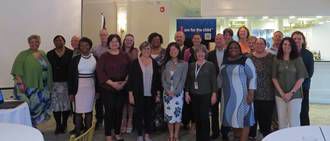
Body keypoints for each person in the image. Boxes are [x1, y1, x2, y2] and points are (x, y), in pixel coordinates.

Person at [11, 34, 52, 126]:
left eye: (37, 42)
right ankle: (30, 126)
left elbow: (47, 68)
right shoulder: (23, 54)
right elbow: (17, 69)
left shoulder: (42, 53)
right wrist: (20, 83)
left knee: (39, 108)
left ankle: (34, 126)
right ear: (29, 43)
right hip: (29, 87)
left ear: (39, 43)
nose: (34, 44)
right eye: (32, 42)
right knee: (31, 108)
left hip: (42, 87)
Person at [220, 41, 257, 141]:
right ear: (228, 50)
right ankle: (237, 137)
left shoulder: (246, 60)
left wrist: (251, 93)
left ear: (239, 49)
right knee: (233, 118)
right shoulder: (225, 60)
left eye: (236, 47)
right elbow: (221, 77)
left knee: (245, 118)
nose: (233, 49)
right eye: (231, 48)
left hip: (243, 95)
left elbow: (252, 77)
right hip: (228, 96)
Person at [96, 34, 130, 141]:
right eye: (112, 41)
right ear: (108, 44)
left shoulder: (125, 55)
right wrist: (112, 84)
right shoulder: (104, 56)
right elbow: (100, 72)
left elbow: (130, 70)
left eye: (116, 41)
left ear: (120, 43)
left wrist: (124, 83)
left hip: (122, 87)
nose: (114, 43)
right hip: (108, 88)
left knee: (119, 110)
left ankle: (117, 132)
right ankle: (108, 134)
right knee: (109, 111)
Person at [128, 41, 162, 141]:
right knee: (139, 114)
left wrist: (158, 94)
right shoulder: (135, 63)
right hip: (138, 94)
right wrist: (130, 94)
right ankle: (139, 134)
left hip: (151, 94)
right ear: (141, 50)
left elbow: (157, 80)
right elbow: (131, 80)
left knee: (149, 115)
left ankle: (147, 134)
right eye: (145, 48)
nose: (147, 50)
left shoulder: (154, 63)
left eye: (148, 49)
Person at [272, 37, 308, 129]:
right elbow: (274, 78)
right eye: (285, 44)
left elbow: (301, 78)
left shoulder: (297, 59)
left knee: (294, 122)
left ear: (292, 46)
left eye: (289, 44)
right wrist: (282, 94)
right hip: (280, 96)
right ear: (281, 46)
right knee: (282, 122)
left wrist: (291, 93)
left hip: (295, 95)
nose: (287, 46)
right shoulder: (276, 59)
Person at [185, 46, 217, 141]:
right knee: (197, 117)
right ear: (195, 54)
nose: (200, 54)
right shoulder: (191, 65)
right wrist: (187, 93)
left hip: (206, 95)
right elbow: (189, 80)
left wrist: (214, 94)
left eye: (202, 52)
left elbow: (214, 81)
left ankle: (206, 138)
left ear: (205, 53)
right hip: (194, 95)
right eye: (198, 52)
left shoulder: (210, 65)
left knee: (204, 117)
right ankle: (199, 138)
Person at [68, 37, 97, 136]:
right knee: (78, 112)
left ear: (90, 46)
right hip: (78, 89)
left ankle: (88, 133)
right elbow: (71, 77)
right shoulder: (75, 59)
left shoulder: (95, 58)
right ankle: (77, 132)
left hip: (91, 88)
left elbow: (98, 76)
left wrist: (98, 91)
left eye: (86, 45)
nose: (84, 47)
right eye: (82, 45)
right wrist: (71, 93)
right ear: (79, 47)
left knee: (89, 111)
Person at [249, 38, 275, 140]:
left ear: (265, 45)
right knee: (252, 119)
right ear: (254, 45)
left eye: (261, 43)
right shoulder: (249, 57)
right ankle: (252, 136)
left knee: (266, 120)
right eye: (257, 43)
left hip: (268, 94)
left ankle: (266, 137)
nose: (259, 45)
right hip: (252, 93)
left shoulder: (272, 57)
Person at [162, 42, 188, 141]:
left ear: (178, 51)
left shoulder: (184, 64)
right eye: (171, 50)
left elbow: (183, 80)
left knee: (177, 115)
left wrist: (176, 92)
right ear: (169, 52)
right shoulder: (166, 63)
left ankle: (176, 135)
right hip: (167, 94)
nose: (173, 51)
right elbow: (163, 79)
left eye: (175, 49)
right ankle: (171, 135)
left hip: (178, 94)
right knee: (169, 115)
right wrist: (167, 90)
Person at [47, 35, 73, 134]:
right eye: (56, 40)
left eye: (60, 40)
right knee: (56, 106)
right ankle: (58, 125)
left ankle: (64, 124)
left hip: (67, 83)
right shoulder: (49, 54)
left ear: (64, 41)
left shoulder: (70, 53)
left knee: (66, 105)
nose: (58, 41)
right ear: (54, 43)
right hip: (54, 84)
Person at [207, 33, 230, 140]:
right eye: (216, 39)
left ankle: (225, 132)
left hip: (226, 87)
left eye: (220, 38)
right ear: (214, 41)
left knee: (226, 110)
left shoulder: (229, 53)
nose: (219, 40)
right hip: (214, 87)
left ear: (224, 40)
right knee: (214, 111)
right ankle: (215, 132)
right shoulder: (210, 54)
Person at [291, 31, 314, 126]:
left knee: (304, 111)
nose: (297, 40)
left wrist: (299, 82)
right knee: (293, 112)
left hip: (303, 87)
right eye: (294, 38)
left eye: (299, 38)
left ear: (303, 40)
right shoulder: (288, 52)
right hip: (290, 87)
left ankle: (305, 130)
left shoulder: (308, 54)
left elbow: (310, 72)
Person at [121, 33, 138, 134]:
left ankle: (130, 121)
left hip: (131, 79)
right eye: (127, 40)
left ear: (133, 42)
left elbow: (133, 64)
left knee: (130, 102)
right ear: (124, 41)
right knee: (123, 102)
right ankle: (123, 120)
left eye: (131, 40)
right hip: (120, 79)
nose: (129, 42)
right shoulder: (119, 50)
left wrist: (128, 77)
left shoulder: (135, 51)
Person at [92, 29, 109, 130]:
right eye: (101, 35)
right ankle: (99, 119)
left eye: (105, 35)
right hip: (99, 79)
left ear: (108, 35)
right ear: (99, 36)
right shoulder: (95, 49)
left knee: (109, 101)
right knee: (99, 101)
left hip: (110, 78)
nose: (103, 37)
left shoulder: (112, 47)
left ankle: (109, 120)